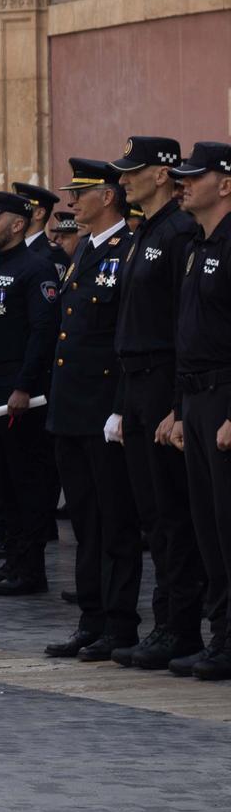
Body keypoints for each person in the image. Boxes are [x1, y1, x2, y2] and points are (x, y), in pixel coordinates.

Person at [110, 135, 208, 672]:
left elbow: (179, 326)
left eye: (134, 171)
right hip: (138, 383)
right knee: (153, 513)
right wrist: (125, 404)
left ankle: (180, 625)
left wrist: (175, 404)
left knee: (173, 515)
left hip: (166, 382)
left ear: (164, 175)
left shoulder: (177, 232)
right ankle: (166, 620)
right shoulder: (145, 230)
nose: (124, 180)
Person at [41, 160, 142, 661]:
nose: (71, 204)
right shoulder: (85, 249)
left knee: (115, 520)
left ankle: (120, 623)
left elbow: (125, 338)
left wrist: (121, 407)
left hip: (104, 407)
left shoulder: (128, 250)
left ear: (107, 197)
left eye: (80, 195)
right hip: (71, 407)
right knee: (84, 521)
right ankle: (92, 618)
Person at [0, 191, 62, 597]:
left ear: (18, 224)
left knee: (26, 481)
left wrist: (25, 385)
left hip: (18, 392)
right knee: (2, 481)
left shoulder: (35, 269)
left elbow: (43, 333)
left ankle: (30, 566)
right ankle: (13, 558)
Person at [170, 141, 231, 679]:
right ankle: (221, 637)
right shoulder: (196, 244)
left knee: (227, 524)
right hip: (196, 397)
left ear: (226, 184)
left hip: (225, 397)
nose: (182, 183)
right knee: (208, 527)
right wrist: (180, 407)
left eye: (194, 176)